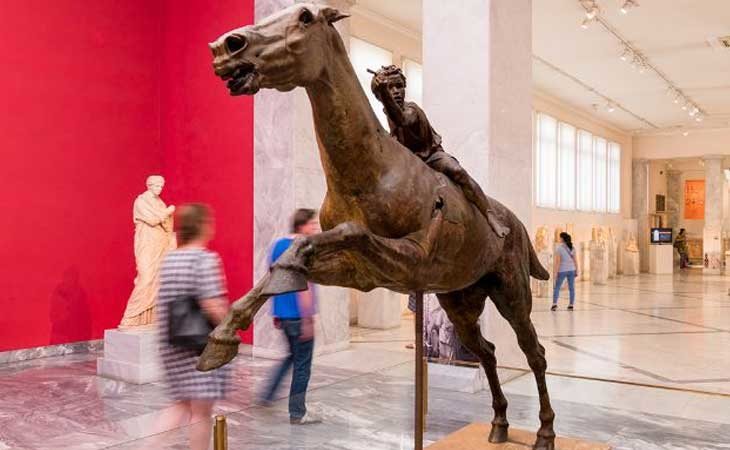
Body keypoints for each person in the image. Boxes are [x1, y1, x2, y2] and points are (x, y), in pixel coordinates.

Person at [370, 65, 510, 238]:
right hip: (411, 162)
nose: (396, 91)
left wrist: (384, 92)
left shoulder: (411, 109)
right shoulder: (387, 115)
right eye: (390, 88)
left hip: (430, 156)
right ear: (379, 97)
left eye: (399, 86)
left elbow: (402, 119)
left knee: (458, 172)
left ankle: (490, 215)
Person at [153, 204, 230, 450]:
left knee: (182, 402)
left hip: (172, 343)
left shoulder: (170, 258)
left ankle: (149, 446)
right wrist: (229, 328)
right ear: (201, 226)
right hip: (198, 347)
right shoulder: (203, 259)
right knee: (201, 410)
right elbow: (212, 304)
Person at [260, 208, 321, 425]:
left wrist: (276, 310)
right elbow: (303, 284)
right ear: (302, 225)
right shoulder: (303, 248)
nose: (315, 228)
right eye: (312, 224)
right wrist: (307, 318)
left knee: (291, 357)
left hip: (284, 315)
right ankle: (298, 413)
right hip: (298, 316)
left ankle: (267, 395)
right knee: (302, 365)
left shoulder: (277, 245)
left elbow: (272, 278)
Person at [120, 175, 176, 329]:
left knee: (157, 279)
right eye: (157, 185)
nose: (159, 189)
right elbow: (153, 220)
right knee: (145, 277)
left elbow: (167, 226)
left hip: (160, 243)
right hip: (146, 242)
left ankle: (149, 319)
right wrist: (169, 211)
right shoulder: (141, 201)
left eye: (161, 186)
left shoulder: (160, 202)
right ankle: (131, 316)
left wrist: (167, 215)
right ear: (149, 185)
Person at [552, 232, 578, 311]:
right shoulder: (572, 248)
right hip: (572, 269)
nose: (559, 239)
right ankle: (571, 305)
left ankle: (554, 304)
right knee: (571, 288)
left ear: (562, 239)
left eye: (560, 238)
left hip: (562, 270)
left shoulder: (559, 248)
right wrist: (577, 270)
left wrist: (555, 273)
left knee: (557, 287)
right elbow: (575, 260)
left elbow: (558, 262)